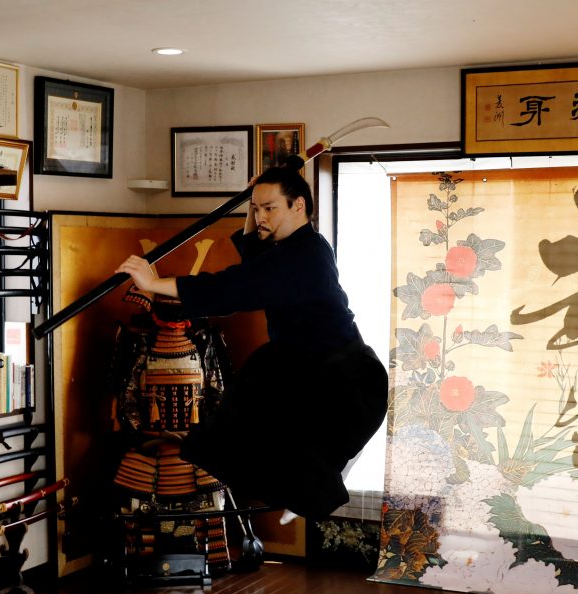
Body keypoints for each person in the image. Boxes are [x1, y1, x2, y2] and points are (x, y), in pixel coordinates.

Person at [115, 165, 388, 521]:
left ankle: (313, 488)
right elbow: (255, 257)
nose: (260, 216)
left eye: (270, 208)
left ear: (299, 206)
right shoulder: (295, 246)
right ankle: (307, 487)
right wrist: (254, 201)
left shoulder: (302, 257)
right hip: (304, 367)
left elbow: (231, 287)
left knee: (277, 430)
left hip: (342, 381)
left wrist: (154, 283)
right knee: (240, 424)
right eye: (256, 208)